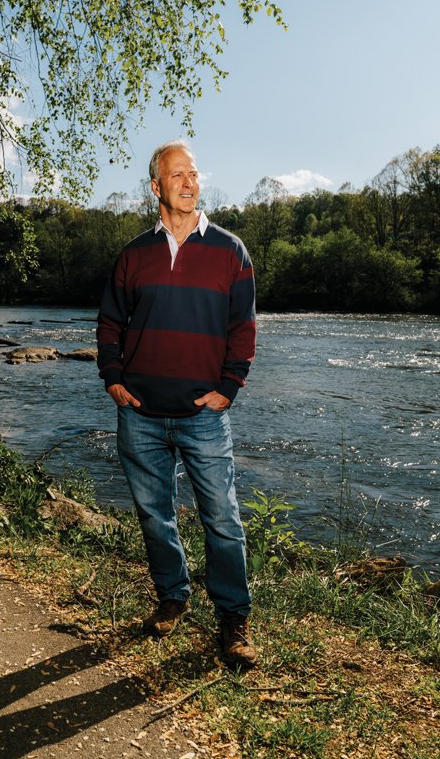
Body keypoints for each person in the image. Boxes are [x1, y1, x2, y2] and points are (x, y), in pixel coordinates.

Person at [96, 139, 257, 668]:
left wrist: (228, 387)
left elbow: (243, 328)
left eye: (194, 173)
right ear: (156, 188)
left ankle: (233, 622)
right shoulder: (133, 254)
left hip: (203, 417)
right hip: (139, 413)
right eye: (177, 175)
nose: (189, 182)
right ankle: (173, 596)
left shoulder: (230, 250)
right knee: (154, 516)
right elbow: (110, 323)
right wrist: (112, 377)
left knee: (223, 519)